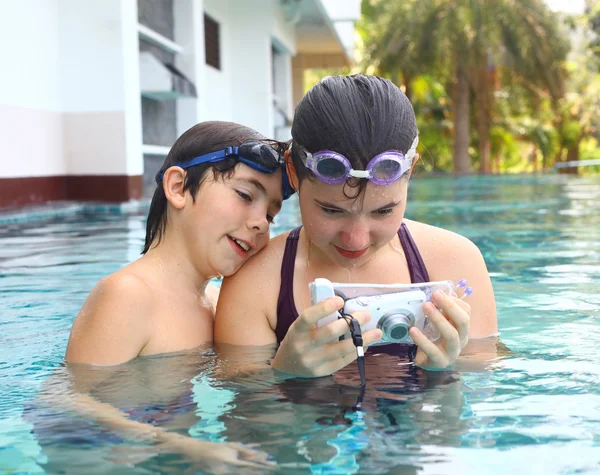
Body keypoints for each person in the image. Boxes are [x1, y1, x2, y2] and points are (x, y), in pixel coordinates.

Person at [214, 75, 498, 377]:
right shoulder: (255, 284)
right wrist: (284, 375)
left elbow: (479, 404)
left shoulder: (456, 263)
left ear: (410, 171)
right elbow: (242, 419)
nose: (356, 239)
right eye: (331, 210)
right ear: (294, 173)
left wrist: (443, 379)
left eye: (384, 210)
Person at [52, 120, 292, 471]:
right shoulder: (128, 295)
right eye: (244, 195)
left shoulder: (216, 302)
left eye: (271, 213)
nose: (261, 223)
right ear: (178, 187)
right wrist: (184, 447)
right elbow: (67, 401)